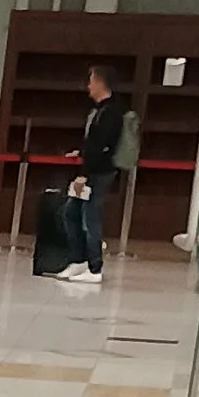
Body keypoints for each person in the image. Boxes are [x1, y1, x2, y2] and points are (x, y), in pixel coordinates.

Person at [64, 62, 127, 284]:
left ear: (100, 82)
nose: (88, 85)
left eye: (91, 80)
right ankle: (78, 259)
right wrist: (80, 153)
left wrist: (84, 174)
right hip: (92, 169)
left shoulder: (110, 112)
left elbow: (101, 146)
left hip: (98, 173)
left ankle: (94, 266)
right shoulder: (100, 111)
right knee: (71, 212)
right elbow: (93, 144)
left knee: (90, 218)